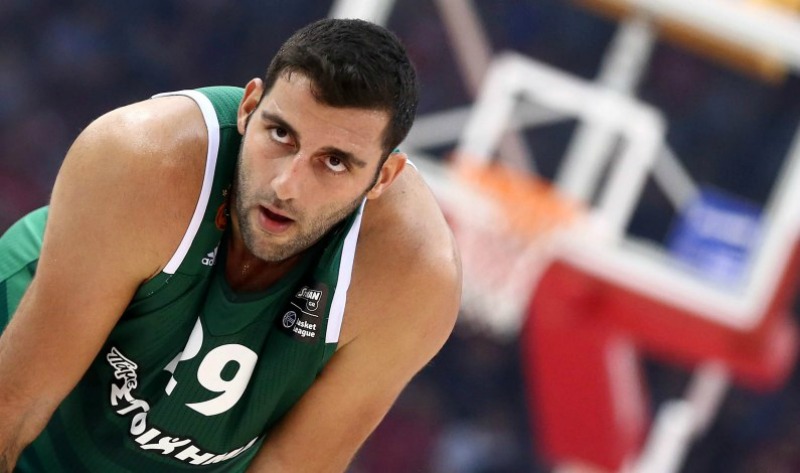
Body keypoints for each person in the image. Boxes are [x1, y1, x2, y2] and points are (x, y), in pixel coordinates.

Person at [0, 18, 461, 472]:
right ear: (249, 107)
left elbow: (292, 465)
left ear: (382, 177)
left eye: (335, 162)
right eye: (281, 135)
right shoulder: (143, 161)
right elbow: (16, 407)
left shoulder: (414, 279)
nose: (286, 186)